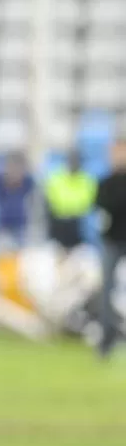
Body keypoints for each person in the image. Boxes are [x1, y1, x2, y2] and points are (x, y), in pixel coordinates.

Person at [94, 138, 126, 358]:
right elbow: (104, 206)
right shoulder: (106, 182)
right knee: (106, 290)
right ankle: (107, 339)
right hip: (112, 242)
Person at [45, 150, 96, 252]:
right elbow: (52, 201)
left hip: (79, 223)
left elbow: (87, 203)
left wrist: (71, 209)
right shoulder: (56, 178)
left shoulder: (87, 179)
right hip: (59, 221)